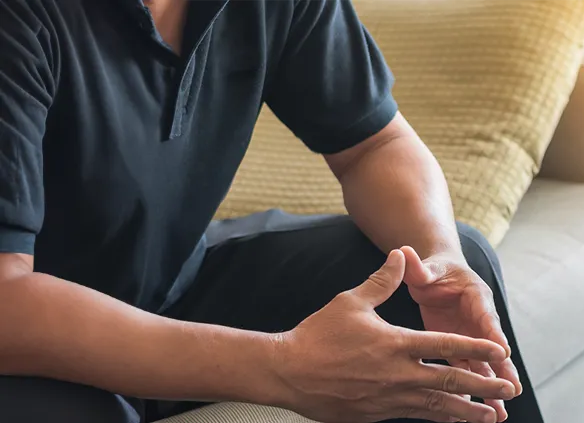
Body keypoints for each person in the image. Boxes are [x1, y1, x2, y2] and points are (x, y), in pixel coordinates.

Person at [0, 1, 542, 423]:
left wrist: (439, 258)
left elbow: (372, 146)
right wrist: (282, 367)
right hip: (29, 333)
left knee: (439, 270)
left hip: (171, 283)